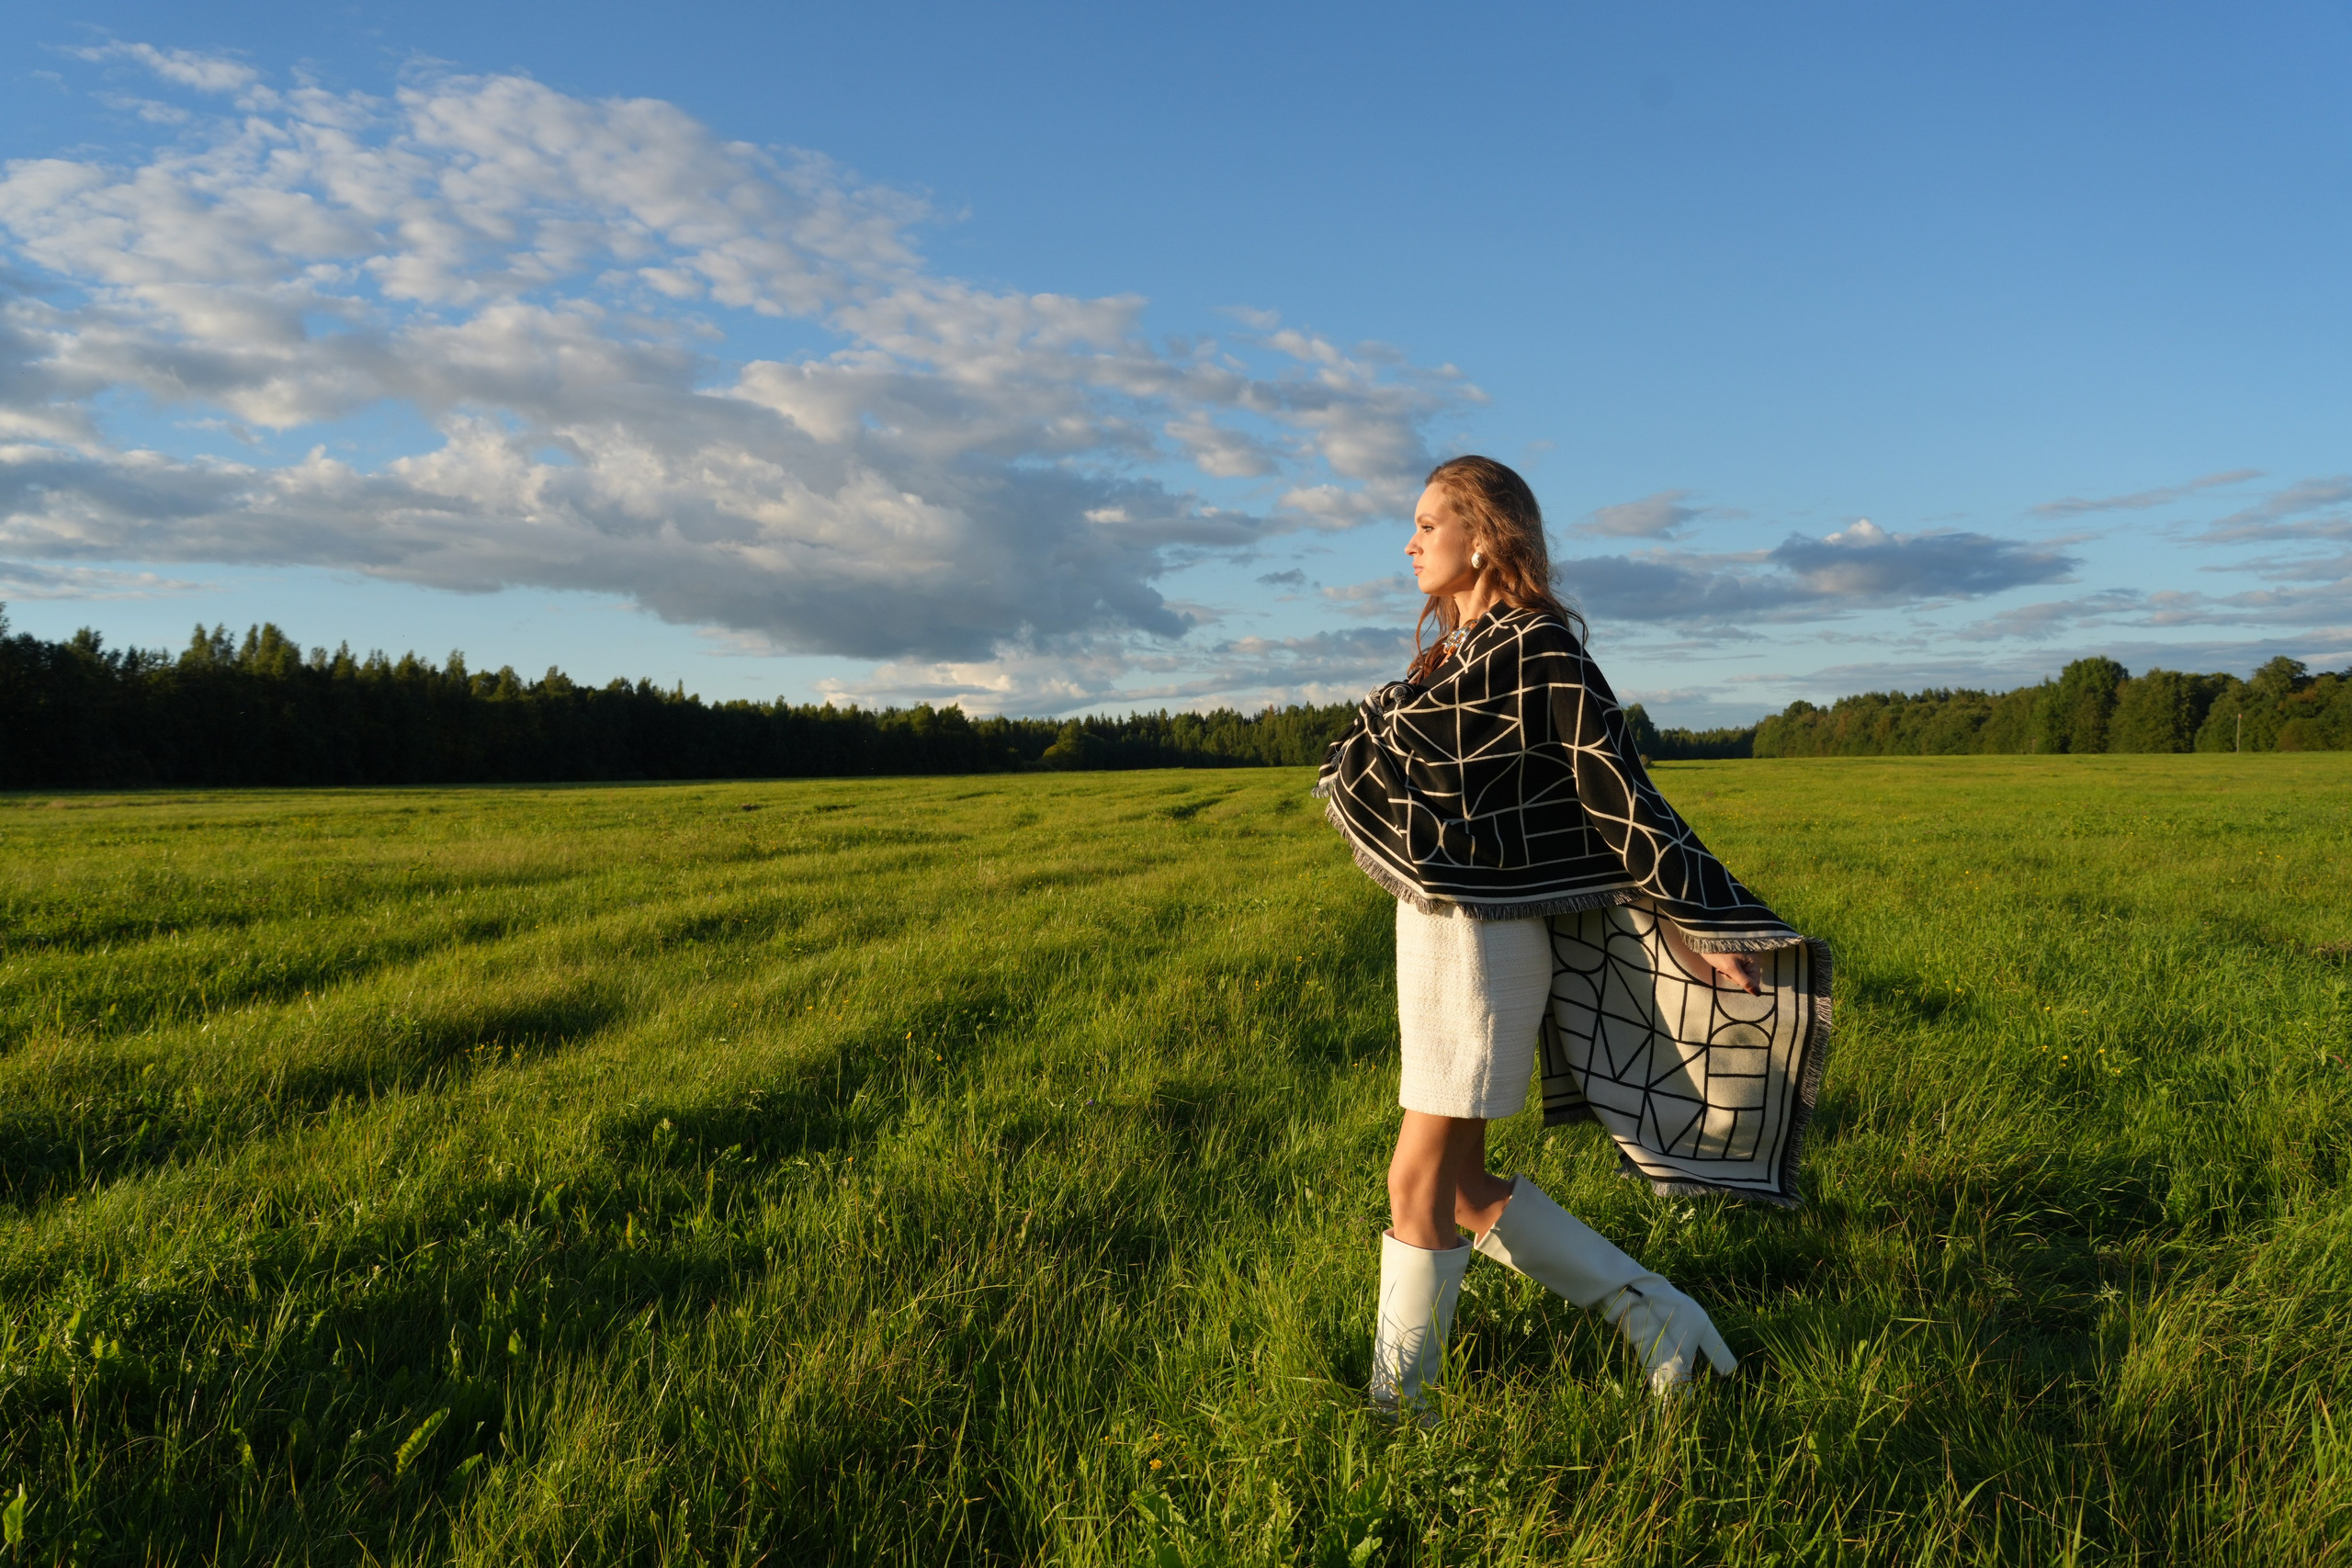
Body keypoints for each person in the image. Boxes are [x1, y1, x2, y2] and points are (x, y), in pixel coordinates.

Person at [1317, 455, 1792, 1413]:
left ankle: (1398, 1410)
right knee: (1457, 1187)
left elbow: (1620, 796)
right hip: (1432, 934)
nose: (1408, 543)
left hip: (1482, 946)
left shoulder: (1539, 648)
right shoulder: (1452, 658)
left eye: (1427, 524)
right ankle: (1656, 1315)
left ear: (1483, 535)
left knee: (1415, 1181)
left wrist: (1701, 919)